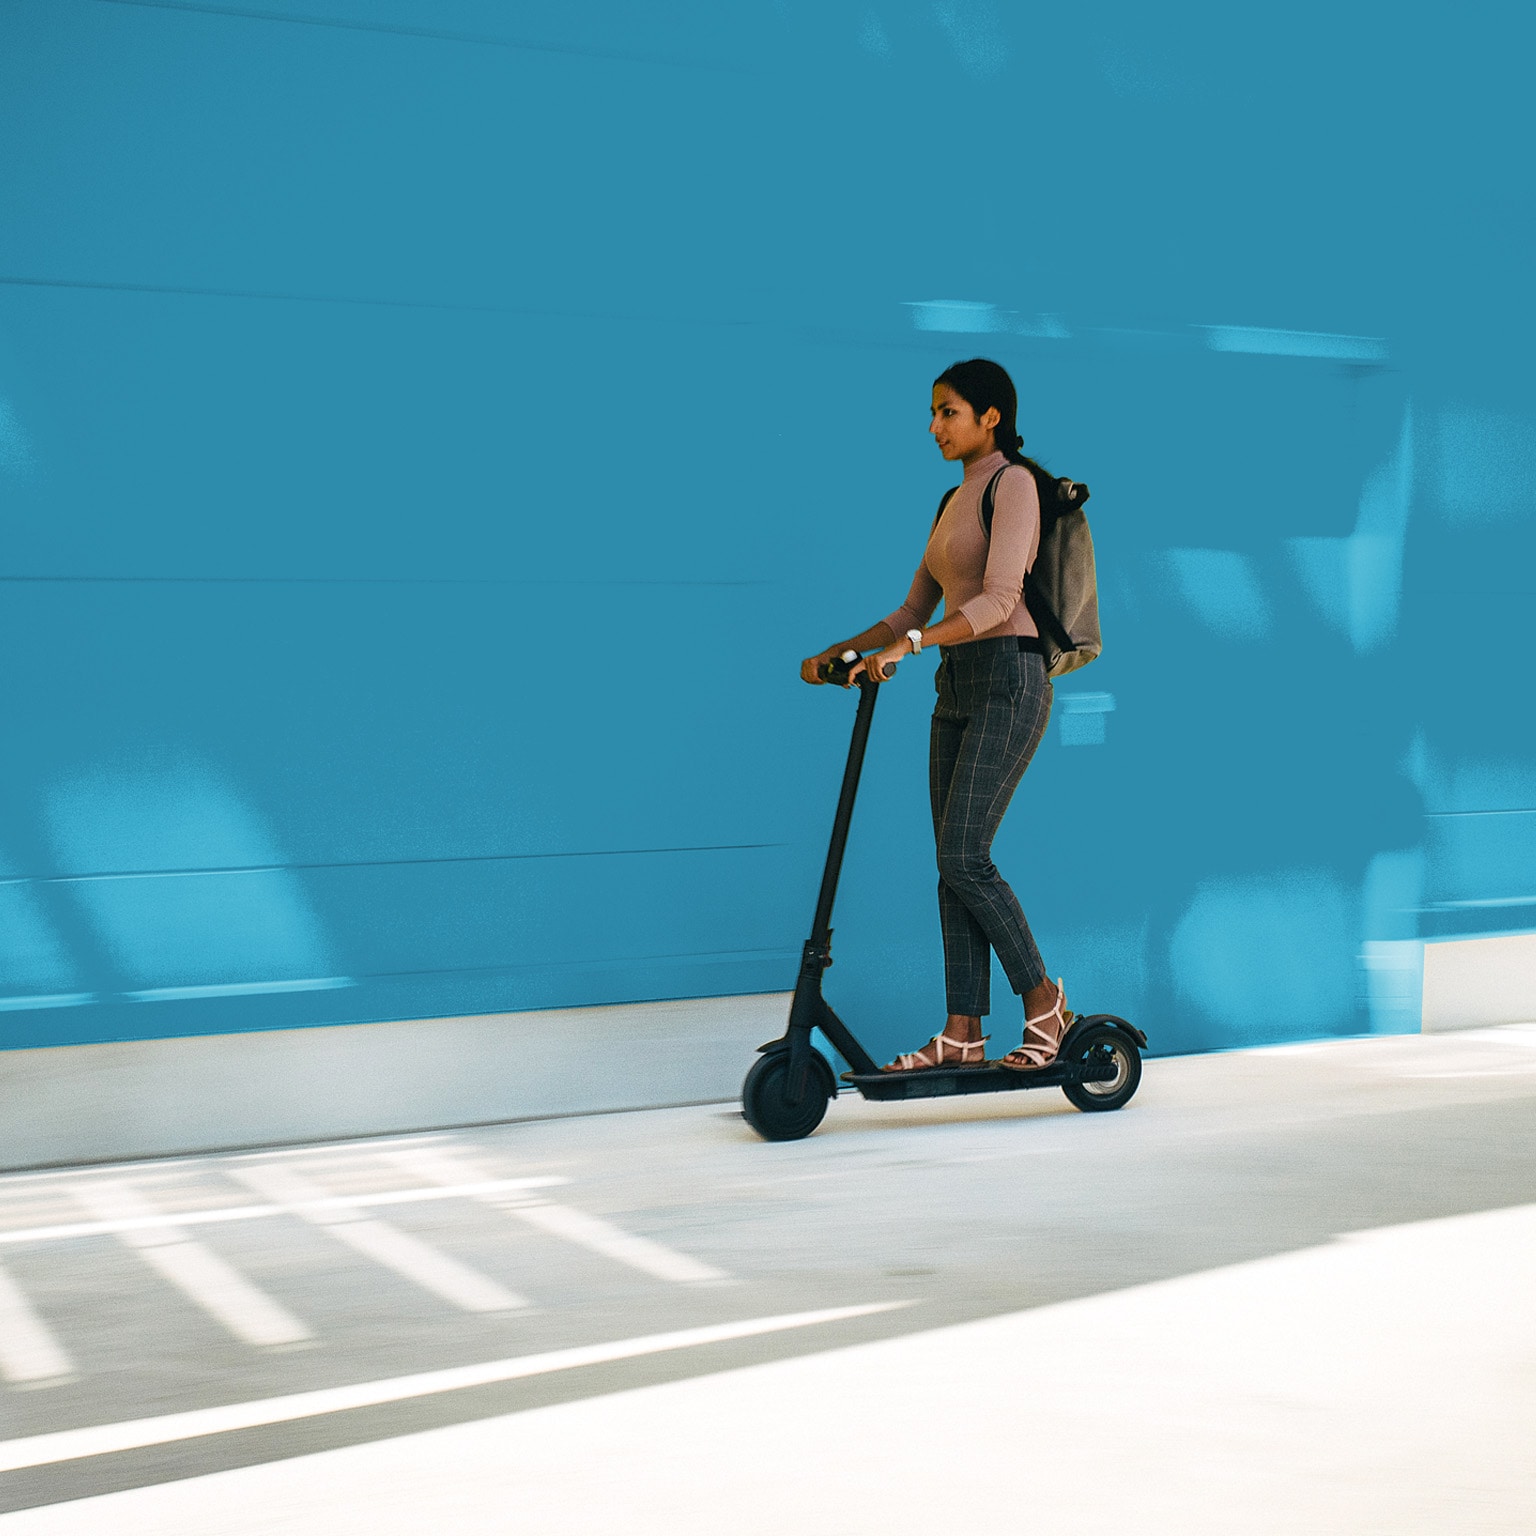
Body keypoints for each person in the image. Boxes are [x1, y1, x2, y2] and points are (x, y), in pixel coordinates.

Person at [799, 358, 1070, 1073]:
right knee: (951, 865)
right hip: (956, 685)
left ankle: (1046, 1007)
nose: (933, 426)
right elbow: (912, 609)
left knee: (964, 856)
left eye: (947, 411)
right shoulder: (951, 501)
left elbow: (999, 600)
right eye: (933, 412)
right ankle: (963, 1032)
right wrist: (846, 648)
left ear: (991, 417)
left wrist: (908, 648)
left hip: (1010, 678)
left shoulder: (1015, 486)